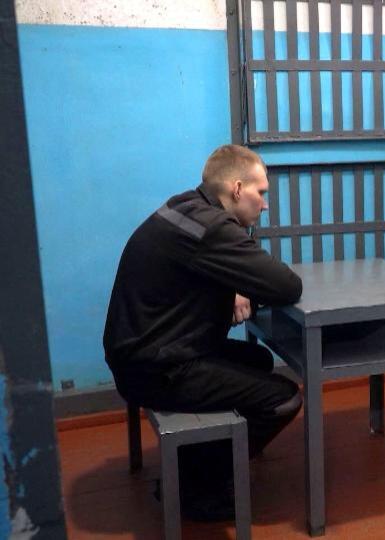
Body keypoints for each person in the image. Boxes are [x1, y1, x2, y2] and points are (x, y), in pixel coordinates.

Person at [103, 144, 303, 521]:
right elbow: (286, 286)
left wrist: (239, 287)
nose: (265, 205)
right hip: (158, 369)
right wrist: (243, 285)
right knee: (284, 398)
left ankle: (204, 455)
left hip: (141, 353)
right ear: (237, 189)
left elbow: (206, 267)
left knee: (258, 360)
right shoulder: (213, 228)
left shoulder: (186, 207)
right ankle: (193, 487)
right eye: (261, 193)